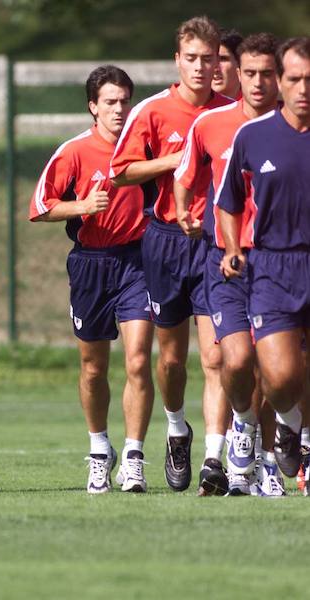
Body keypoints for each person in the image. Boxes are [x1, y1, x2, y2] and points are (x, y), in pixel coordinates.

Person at [110, 16, 233, 493]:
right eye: (193, 59)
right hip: (164, 242)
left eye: (210, 58)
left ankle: (214, 460)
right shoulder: (153, 112)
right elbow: (121, 172)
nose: (202, 68)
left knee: (217, 357)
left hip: (217, 244)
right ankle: (177, 427)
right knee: (171, 361)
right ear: (177, 60)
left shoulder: (233, 111)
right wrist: (177, 160)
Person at [30, 66, 154, 493]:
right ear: (92, 107)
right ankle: (100, 449)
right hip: (90, 265)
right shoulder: (74, 152)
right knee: (93, 367)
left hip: (139, 262)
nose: (119, 109)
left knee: (138, 359)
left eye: (125, 101)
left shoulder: (145, 149)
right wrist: (83, 206)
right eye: (110, 102)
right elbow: (41, 207)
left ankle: (135, 457)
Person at [174, 33, 283, 495]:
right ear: (236, 71)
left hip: (282, 263)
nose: (258, 82)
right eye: (250, 72)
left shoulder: (295, 128)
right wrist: (184, 211)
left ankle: (268, 460)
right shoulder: (214, 125)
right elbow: (187, 175)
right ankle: (242, 426)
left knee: (279, 370)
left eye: (268, 74)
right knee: (233, 360)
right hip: (227, 260)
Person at [216, 36, 310, 486]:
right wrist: (233, 247)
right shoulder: (252, 136)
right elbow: (228, 201)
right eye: (294, 79)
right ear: (281, 81)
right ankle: (289, 423)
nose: (302, 88)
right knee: (279, 374)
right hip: (272, 267)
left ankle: (294, 434)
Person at [213, 30, 244, 100]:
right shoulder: (193, 107)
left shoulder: (257, 108)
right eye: (209, 59)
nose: (215, 68)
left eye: (223, 59)